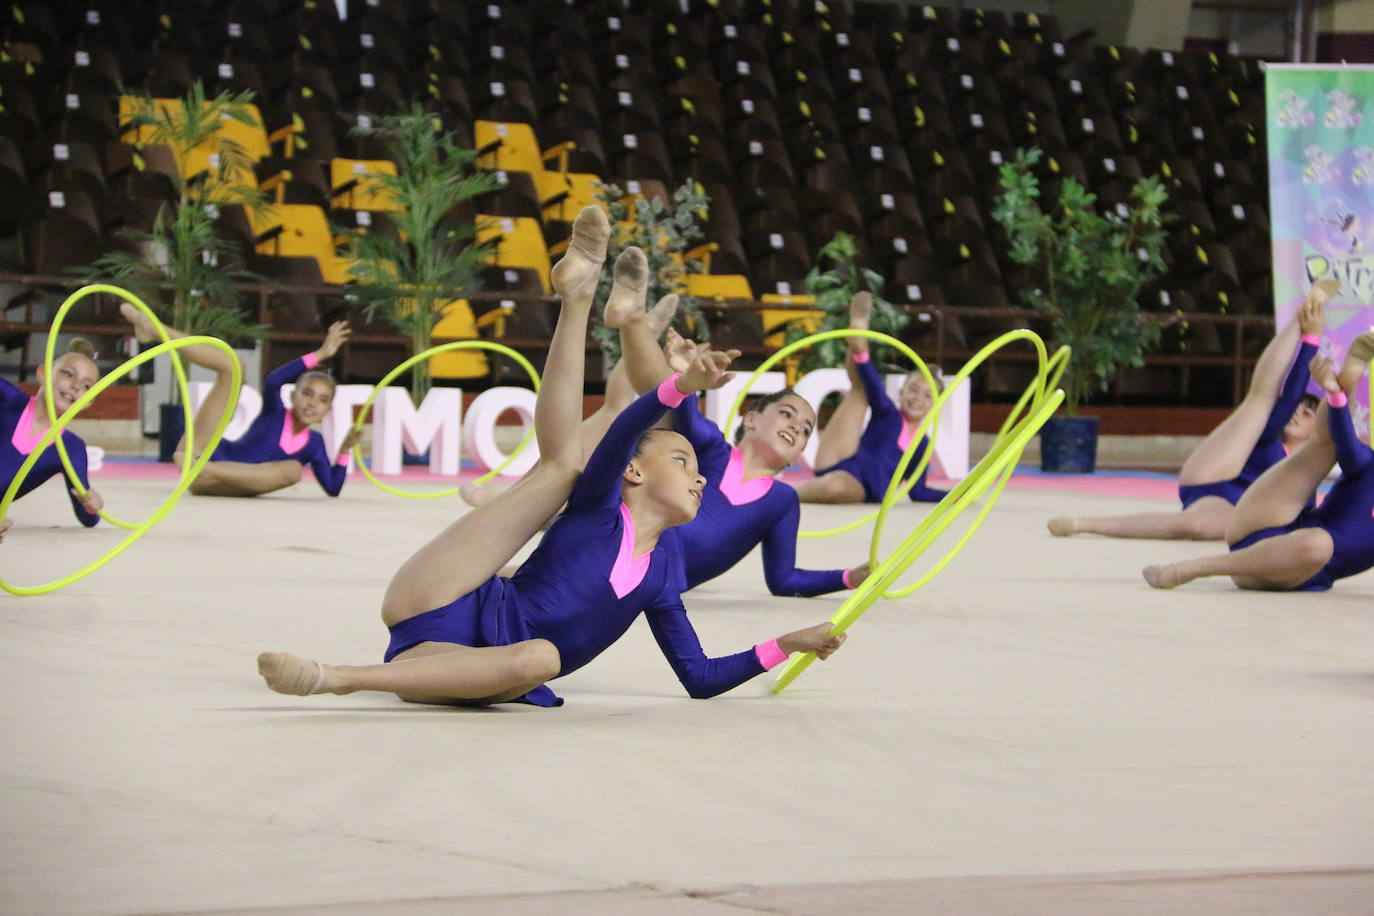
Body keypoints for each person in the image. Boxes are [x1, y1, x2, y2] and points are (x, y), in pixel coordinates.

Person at [257, 206, 845, 707]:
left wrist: (785, 645)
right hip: (437, 597)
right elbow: (625, 431)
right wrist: (677, 388)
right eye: (685, 463)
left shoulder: (665, 573)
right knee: (560, 466)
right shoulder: (597, 509)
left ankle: (334, 677)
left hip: (471, 663)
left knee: (541, 655)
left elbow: (699, 677)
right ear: (634, 472)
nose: (699, 480)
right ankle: (577, 296)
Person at [611, 299, 871, 596]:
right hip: (616, 544)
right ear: (751, 419)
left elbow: (784, 580)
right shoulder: (711, 448)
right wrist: (687, 379)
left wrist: (851, 577)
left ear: (798, 454)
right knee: (655, 416)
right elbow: (685, 413)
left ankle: (634, 323)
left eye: (806, 429)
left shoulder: (782, 500)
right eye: (786, 413)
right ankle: (634, 322)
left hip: (655, 584)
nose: (796, 426)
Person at [1048, 280, 1337, 540]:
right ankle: (1304, 315)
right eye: (1301, 408)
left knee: (1194, 527)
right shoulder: (1271, 440)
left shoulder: (1312, 471)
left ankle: (1083, 524)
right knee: (1261, 401)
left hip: (1236, 508)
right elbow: (1287, 399)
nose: (1299, 413)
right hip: (1216, 475)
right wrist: (1310, 339)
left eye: (1309, 414)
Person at [1143, 331, 1374, 591]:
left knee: (1317, 544)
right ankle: (1349, 376)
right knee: (1325, 445)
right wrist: (1336, 394)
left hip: (1298, 568)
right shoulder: (1366, 464)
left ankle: (1195, 568)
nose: (1298, 416)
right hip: (1265, 520)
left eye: (1307, 412)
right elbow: (1338, 436)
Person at [121, 308, 360, 497]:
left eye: (322, 400)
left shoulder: (315, 444)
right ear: (292, 396)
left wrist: (344, 450)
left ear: (327, 411)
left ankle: (204, 469)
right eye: (307, 393)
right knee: (234, 366)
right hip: (202, 455)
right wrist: (321, 353)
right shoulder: (275, 412)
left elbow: (332, 488)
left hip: (221, 480)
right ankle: (156, 330)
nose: (312, 403)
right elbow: (274, 380)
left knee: (294, 470)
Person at [792, 291, 946, 505]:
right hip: (840, 457)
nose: (918, 398)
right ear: (901, 392)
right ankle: (858, 343)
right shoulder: (889, 413)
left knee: (836, 487)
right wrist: (862, 356)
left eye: (927, 395)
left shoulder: (923, 444)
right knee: (863, 389)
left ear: (935, 405)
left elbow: (918, 491)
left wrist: (957, 495)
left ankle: (787, 494)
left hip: (863, 485)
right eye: (913, 389)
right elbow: (875, 387)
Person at [0, 338, 104, 526]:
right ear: (43, 373)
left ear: (88, 401)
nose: (76, 386)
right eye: (69, 374)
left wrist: (91, 505)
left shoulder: (71, 448)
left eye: (87, 386)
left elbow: (87, 518)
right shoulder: (7, 399)